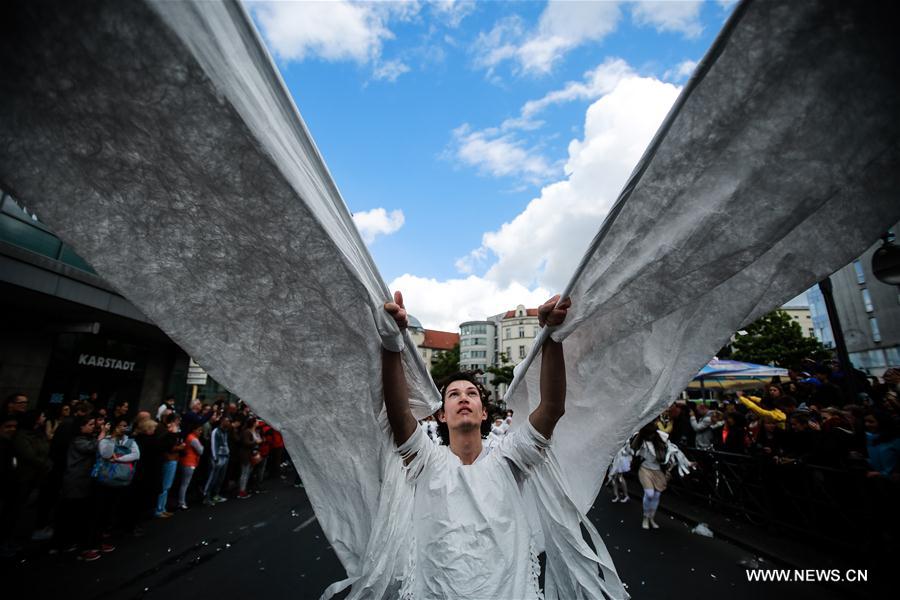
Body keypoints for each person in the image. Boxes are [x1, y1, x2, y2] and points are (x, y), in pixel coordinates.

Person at [379, 291, 601, 598]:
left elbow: (551, 408)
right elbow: (399, 415)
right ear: (442, 414)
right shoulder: (427, 461)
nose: (463, 398)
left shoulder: (508, 459)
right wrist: (392, 345)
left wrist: (552, 336)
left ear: (484, 411)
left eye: (471, 393)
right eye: (453, 394)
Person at [630, 421, 692, 530]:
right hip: (645, 470)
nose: (649, 436)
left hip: (658, 471)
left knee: (657, 495)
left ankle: (651, 518)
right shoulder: (641, 440)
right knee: (649, 494)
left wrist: (687, 463)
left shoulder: (662, 439)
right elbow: (633, 447)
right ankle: (645, 517)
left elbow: (675, 451)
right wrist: (640, 435)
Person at [155, 414, 184, 518]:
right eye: (177, 420)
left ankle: (162, 508)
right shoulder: (168, 432)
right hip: (169, 460)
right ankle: (159, 509)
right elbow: (169, 447)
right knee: (165, 486)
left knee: (167, 486)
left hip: (173, 460)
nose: (179, 422)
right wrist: (179, 446)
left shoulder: (173, 432)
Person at [203, 417, 231, 504]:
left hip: (225, 456)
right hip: (218, 457)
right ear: (222, 421)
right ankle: (206, 497)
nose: (229, 423)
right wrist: (215, 458)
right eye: (227, 421)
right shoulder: (216, 431)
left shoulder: (225, 431)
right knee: (212, 478)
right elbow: (213, 444)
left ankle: (215, 495)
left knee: (220, 478)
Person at [177, 423, 204, 510]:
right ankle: (181, 502)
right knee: (185, 483)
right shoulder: (194, 439)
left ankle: (182, 501)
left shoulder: (189, 437)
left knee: (184, 483)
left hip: (186, 461)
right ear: (194, 430)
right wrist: (202, 447)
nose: (200, 432)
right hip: (189, 462)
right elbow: (200, 451)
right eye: (199, 430)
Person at [237, 417, 261, 499]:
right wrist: (255, 442)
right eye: (256, 421)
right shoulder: (247, 432)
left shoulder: (254, 431)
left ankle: (244, 489)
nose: (258, 422)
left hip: (251, 454)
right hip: (245, 455)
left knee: (248, 472)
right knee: (245, 473)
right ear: (253, 423)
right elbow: (246, 442)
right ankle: (241, 491)